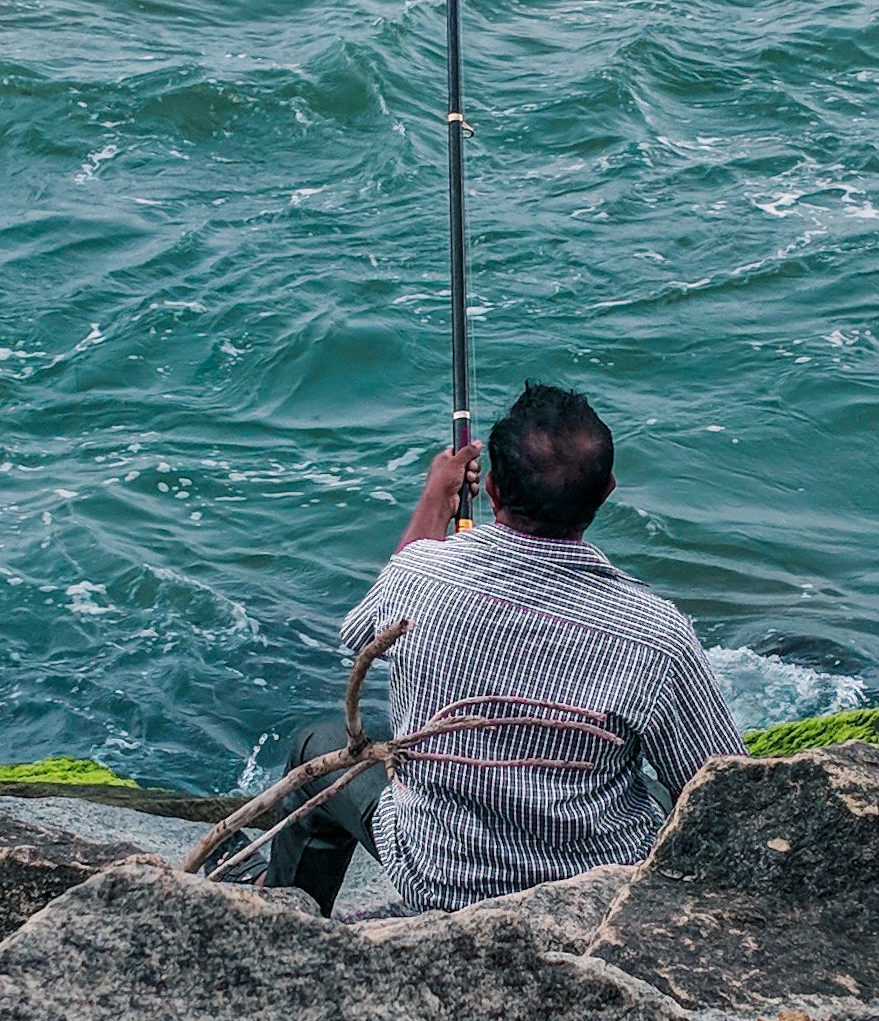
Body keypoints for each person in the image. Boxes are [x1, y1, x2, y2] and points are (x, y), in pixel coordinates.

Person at [265, 381, 740, 915]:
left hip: (436, 876)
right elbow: (722, 796)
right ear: (606, 492)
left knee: (319, 744)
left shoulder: (420, 578)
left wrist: (435, 499)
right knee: (653, 789)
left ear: (490, 490)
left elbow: (367, 637)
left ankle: (288, 923)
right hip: (584, 896)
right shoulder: (656, 633)